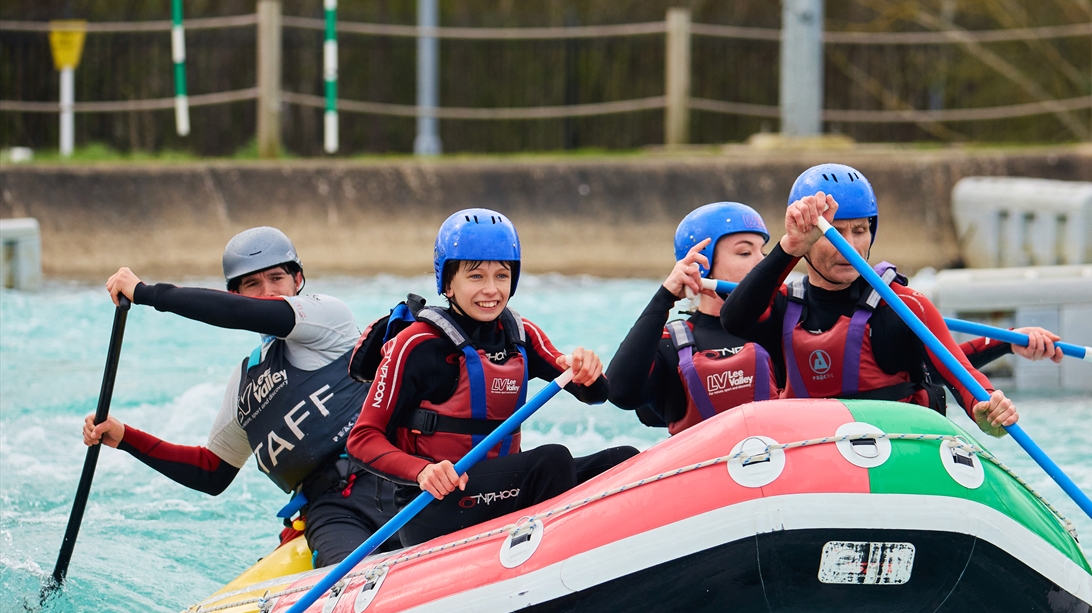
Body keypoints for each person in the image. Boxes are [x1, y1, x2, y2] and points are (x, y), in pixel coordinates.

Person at [82, 227, 397, 567]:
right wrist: (126, 437)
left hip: (391, 471)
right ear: (235, 292)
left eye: (277, 278)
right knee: (345, 584)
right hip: (330, 512)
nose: (267, 292)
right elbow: (211, 472)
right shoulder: (243, 386)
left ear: (298, 280)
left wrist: (148, 293)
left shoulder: (327, 318)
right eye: (252, 285)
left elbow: (243, 313)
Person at [345, 208, 638, 547]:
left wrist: (587, 371)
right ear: (448, 284)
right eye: (476, 277)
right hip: (433, 506)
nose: (491, 290)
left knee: (623, 461)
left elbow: (596, 394)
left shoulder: (520, 334)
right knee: (551, 460)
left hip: (502, 490)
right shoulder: (416, 343)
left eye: (502, 275)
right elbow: (362, 439)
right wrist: (422, 471)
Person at [720, 164, 1058, 436]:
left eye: (860, 230)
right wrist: (788, 248)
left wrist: (986, 412)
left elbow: (959, 375)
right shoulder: (782, 308)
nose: (849, 245)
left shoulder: (906, 306)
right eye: (835, 232)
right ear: (807, 240)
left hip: (896, 454)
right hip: (813, 458)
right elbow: (733, 320)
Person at [606, 202, 779, 434]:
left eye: (764, 253)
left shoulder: (786, 324)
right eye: (745, 253)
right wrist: (664, 297)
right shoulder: (670, 346)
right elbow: (619, 392)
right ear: (701, 266)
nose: (763, 263)